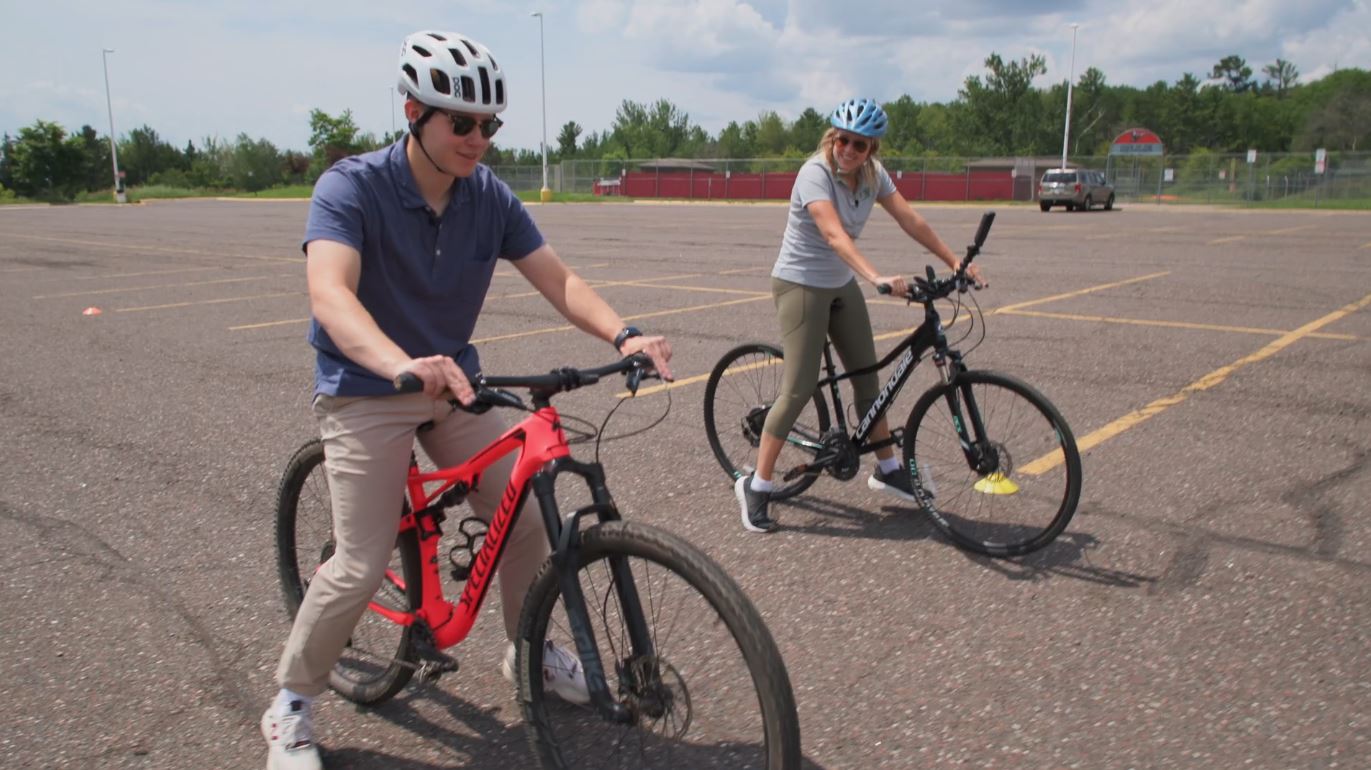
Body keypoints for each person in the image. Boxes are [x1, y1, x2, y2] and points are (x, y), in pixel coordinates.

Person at [262, 30, 673, 770]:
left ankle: (529, 653)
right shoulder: (350, 187)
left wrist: (625, 334)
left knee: (522, 510)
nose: (477, 139)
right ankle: (291, 702)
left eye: (490, 126)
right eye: (461, 123)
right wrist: (398, 364)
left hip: (455, 386)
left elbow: (559, 279)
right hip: (368, 391)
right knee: (357, 563)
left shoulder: (489, 197)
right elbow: (330, 295)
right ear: (414, 112)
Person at [734, 97, 985, 534]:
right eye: (843, 140)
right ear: (832, 137)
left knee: (868, 377)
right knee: (799, 387)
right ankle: (758, 485)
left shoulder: (872, 175)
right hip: (800, 283)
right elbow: (832, 234)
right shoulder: (815, 173)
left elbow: (910, 219)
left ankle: (887, 468)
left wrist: (954, 263)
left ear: (873, 149)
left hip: (839, 284)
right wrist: (876, 277)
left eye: (860, 145)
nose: (849, 150)